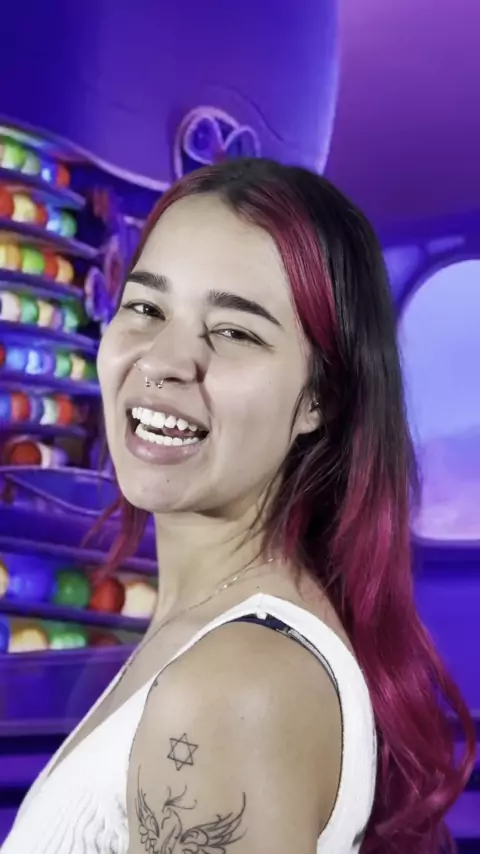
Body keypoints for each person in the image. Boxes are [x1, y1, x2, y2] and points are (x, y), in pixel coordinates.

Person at [3, 158, 474, 854]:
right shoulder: (215, 644)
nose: (165, 361)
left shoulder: (234, 685)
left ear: (320, 399)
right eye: (146, 308)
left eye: (234, 332)